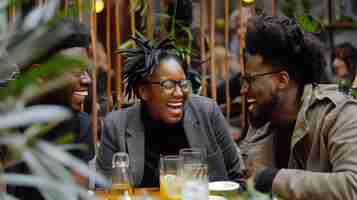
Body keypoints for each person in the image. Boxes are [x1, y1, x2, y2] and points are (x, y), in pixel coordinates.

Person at [96, 36, 246, 189]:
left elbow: (237, 179)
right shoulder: (116, 126)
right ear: (144, 91)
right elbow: (102, 190)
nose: (179, 93)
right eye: (168, 85)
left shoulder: (207, 113)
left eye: (183, 84)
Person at [238, 14, 357, 199]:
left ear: (282, 80)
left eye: (250, 80)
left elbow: (352, 186)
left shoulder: (338, 113)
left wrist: (272, 179)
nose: (244, 90)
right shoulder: (264, 120)